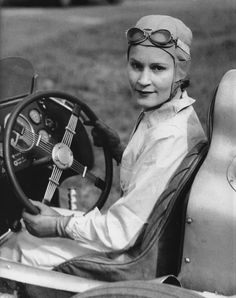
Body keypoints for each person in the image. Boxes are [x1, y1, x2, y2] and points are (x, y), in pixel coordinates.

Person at [0, 15, 206, 270]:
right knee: (28, 226)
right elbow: (151, 180)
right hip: (146, 239)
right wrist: (118, 150)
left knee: (13, 247)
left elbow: (121, 230)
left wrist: (57, 225)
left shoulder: (169, 136)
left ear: (180, 72)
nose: (143, 80)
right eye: (136, 65)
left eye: (157, 69)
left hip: (132, 259)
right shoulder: (171, 116)